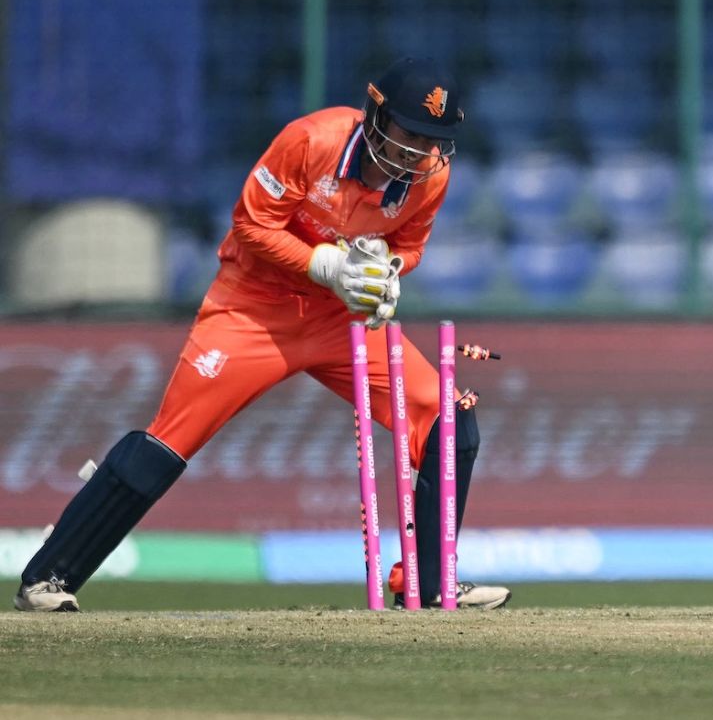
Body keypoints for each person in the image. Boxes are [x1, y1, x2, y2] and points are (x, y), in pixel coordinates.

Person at [15, 57, 511, 612]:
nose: (420, 152)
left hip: (338, 320)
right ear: (376, 115)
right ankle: (49, 578)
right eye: (410, 134)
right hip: (253, 311)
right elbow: (251, 224)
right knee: (169, 439)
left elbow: (410, 245)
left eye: (434, 140)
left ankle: (428, 584)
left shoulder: (430, 179)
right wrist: (326, 265)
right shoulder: (311, 141)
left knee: (448, 416)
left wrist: (389, 273)